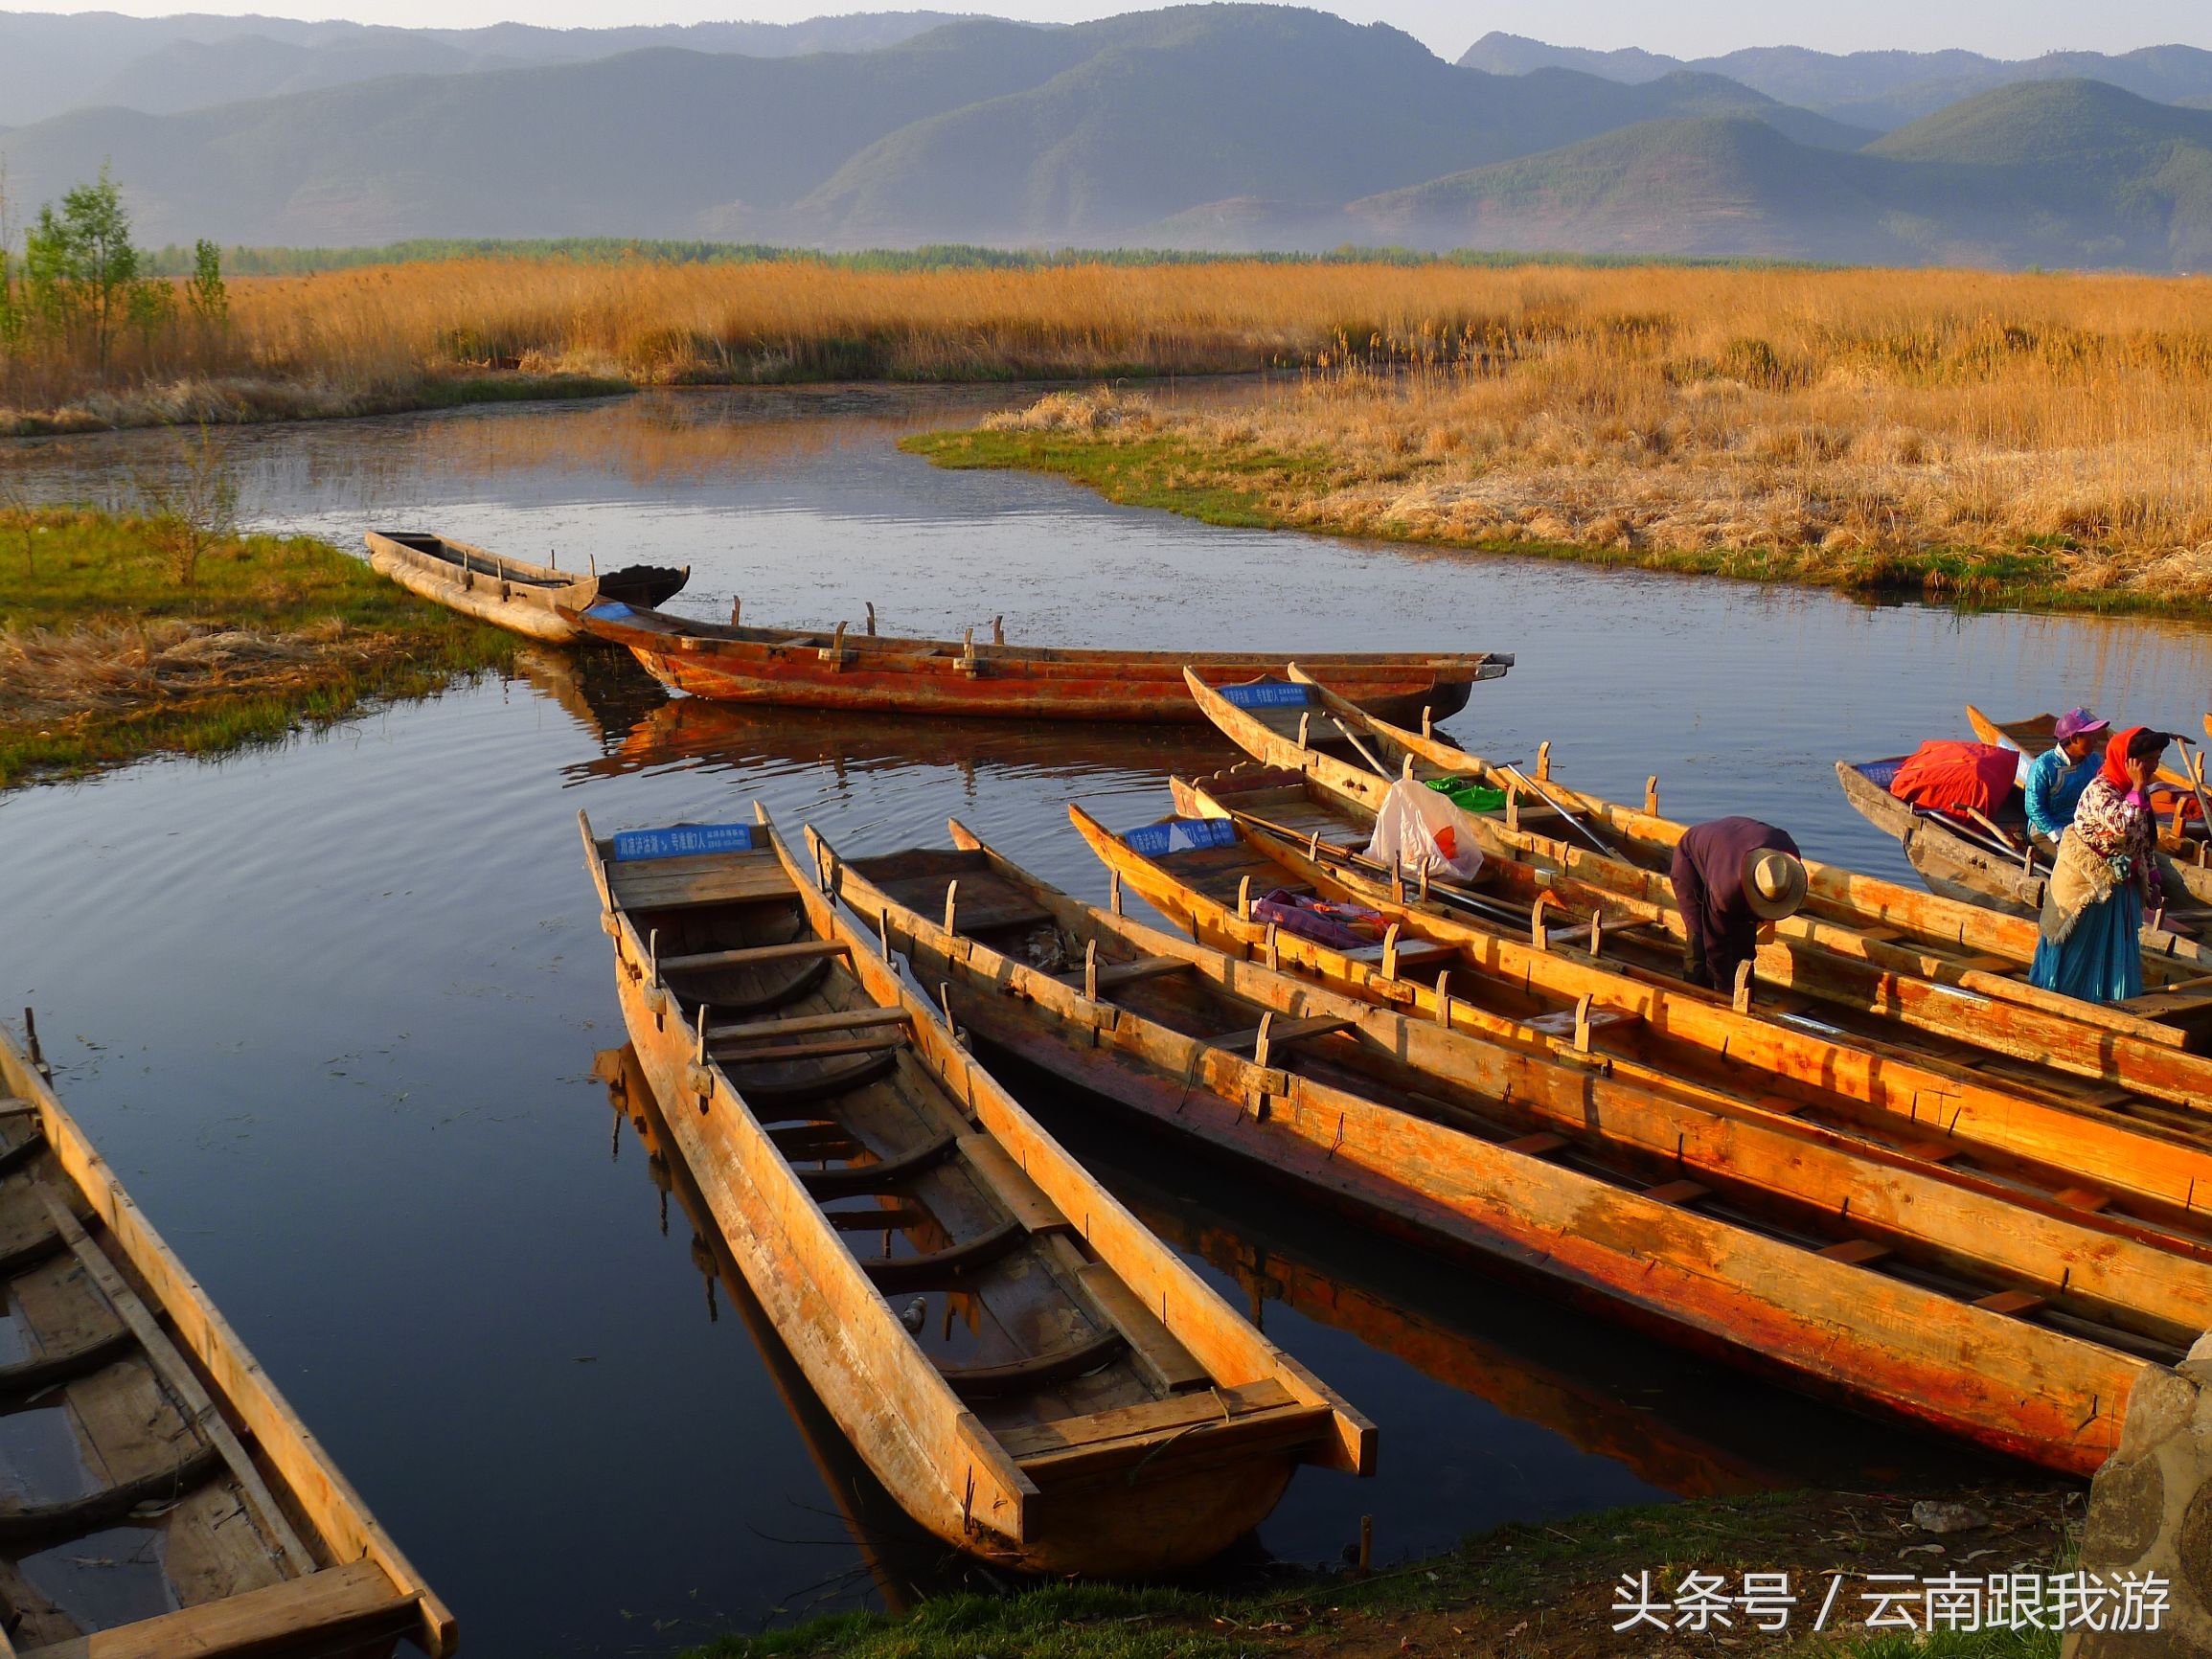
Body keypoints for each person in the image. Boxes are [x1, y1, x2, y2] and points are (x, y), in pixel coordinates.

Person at [2030, 726, 2171, 1003]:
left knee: (2114, 949)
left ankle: (2111, 1001)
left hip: (2118, 887)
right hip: (2089, 886)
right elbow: (2124, 827)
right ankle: (2067, 1002)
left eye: (2157, 759)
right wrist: (2138, 789)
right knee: (2081, 947)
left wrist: (2153, 879)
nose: (2154, 767)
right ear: (2128, 762)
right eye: (2149, 760)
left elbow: (2143, 840)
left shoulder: (2133, 791)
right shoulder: (2100, 790)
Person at [1669, 817, 1811, 991]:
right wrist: (1725, 986)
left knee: (1745, 940)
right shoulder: (1725, 892)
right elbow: (1715, 943)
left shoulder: (1787, 860)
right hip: (1690, 859)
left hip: (1728, 852)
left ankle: (1745, 991)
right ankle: (1694, 994)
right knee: (1699, 938)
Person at [2022, 708, 2109, 848]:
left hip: (2083, 830)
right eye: (2091, 736)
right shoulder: (2043, 766)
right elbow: (2034, 808)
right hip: (2047, 833)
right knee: (2073, 860)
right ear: (2074, 738)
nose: (2096, 741)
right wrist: (2058, 836)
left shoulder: (2094, 760)